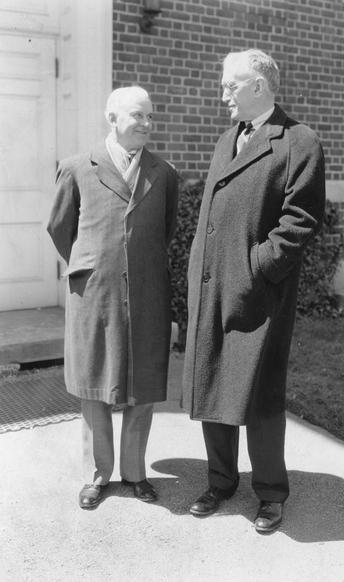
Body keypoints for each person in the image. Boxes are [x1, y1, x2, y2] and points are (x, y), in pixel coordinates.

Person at [182, 49, 326, 533]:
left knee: (262, 394)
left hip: (259, 292)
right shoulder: (228, 138)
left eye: (231, 85)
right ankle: (220, 482)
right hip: (213, 284)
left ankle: (270, 492)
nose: (223, 93)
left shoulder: (298, 140)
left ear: (259, 87)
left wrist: (257, 267)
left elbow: (300, 220)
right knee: (212, 379)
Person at [47, 86, 179, 509]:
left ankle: (135, 473)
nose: (146, 124)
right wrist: (93, 264)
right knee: (94, 383)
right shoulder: (76, 168)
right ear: (112, 117)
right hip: (94, 294)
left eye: (150, 117)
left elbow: (165, 231)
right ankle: (97, 475)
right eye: (137, 115)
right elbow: (59, 228)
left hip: (147, 293)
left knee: (144, 381)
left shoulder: (164, 173)